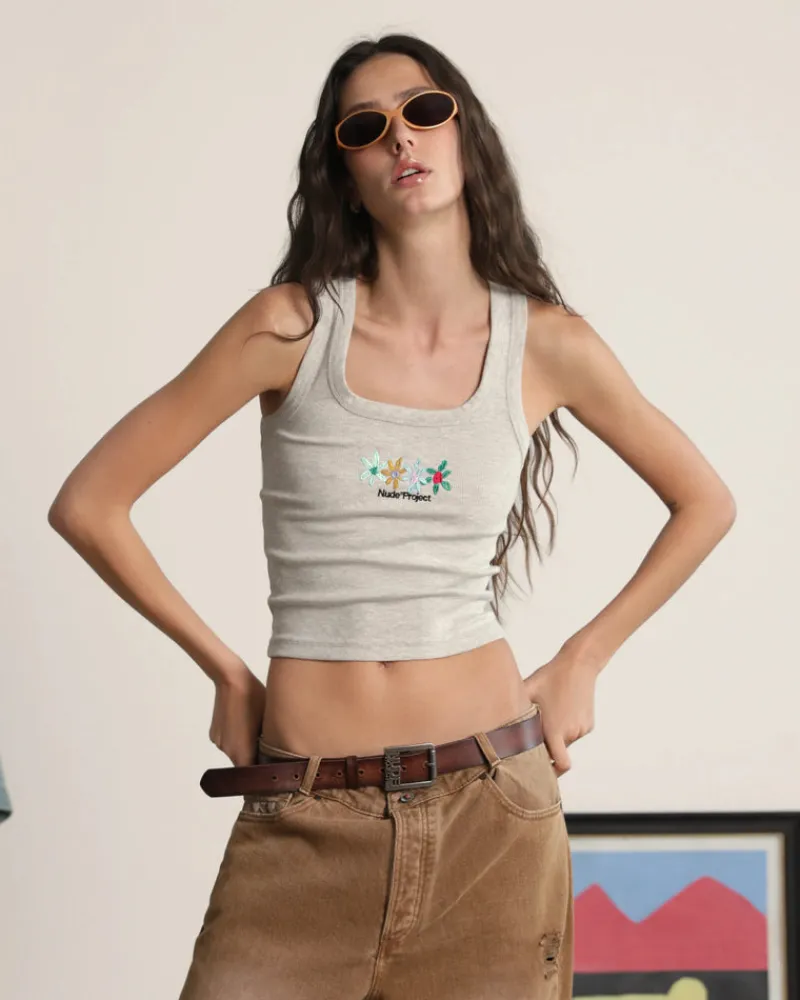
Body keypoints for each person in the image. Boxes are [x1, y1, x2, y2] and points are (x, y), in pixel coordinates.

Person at [47, 31, 737, 1000]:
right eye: (365, 128)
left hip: (494, 812)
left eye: (423, 110)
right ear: (344, 175)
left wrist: (584, 657)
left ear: (465, 134)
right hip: (305, 812)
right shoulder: (288, 327)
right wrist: (225, 671)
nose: (400, 137)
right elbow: (90, 503)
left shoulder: (547, 344)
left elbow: (705, 502)